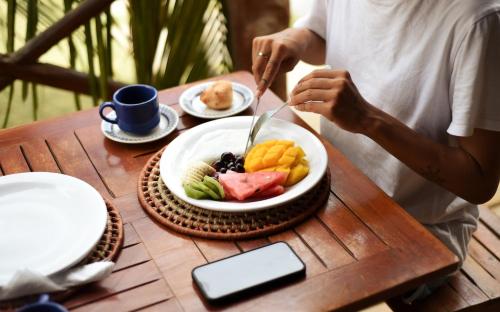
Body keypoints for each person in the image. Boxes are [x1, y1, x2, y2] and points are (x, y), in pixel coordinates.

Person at [252, 0, 500, 301]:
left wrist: (368, 120)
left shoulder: (478, 21)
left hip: (419, 231)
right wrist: (298, 38)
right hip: (334, 197)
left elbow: (479, 181)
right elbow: (323, 33)